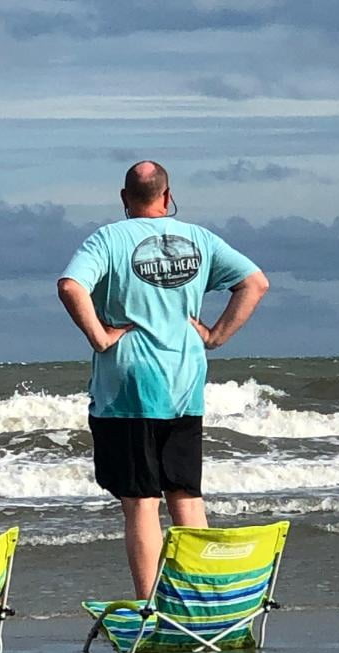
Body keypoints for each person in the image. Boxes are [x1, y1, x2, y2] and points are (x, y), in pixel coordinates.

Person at [58, 161, 268, 598]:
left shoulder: (108, 239)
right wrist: (215, 336)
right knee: (186, 496)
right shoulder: (200, 239)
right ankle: (209, 601)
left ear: (124, 198)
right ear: (168, 197)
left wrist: (100, 337)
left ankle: (151, 605)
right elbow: (255, 282)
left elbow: (70, 286)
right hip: (184, 383)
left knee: (140, 503)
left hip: (128, 389)